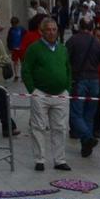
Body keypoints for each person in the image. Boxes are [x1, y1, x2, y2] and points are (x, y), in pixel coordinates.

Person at [20, 16, 73, 172]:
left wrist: (67, 88)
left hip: (61, 95)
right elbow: (26, 70)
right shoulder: (34, 49)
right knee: (38, 127)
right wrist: (33, 90)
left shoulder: (62, 49)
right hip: (41, 94)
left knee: (60, 127)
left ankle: (60, 160)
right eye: (48, 30)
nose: (51, 33)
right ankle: (39, 159)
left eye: (54, 29)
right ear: (41, 31)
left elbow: (68, 69)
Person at [66, 20, 100, 159]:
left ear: (79, 27)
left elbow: (65, 60)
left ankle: (87, 137)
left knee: (75, 114)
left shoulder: (73, 40)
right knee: (89, 115)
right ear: (91, 29)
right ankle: (86, 145)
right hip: (94, 81)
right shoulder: (97, 43)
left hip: (79, 80)